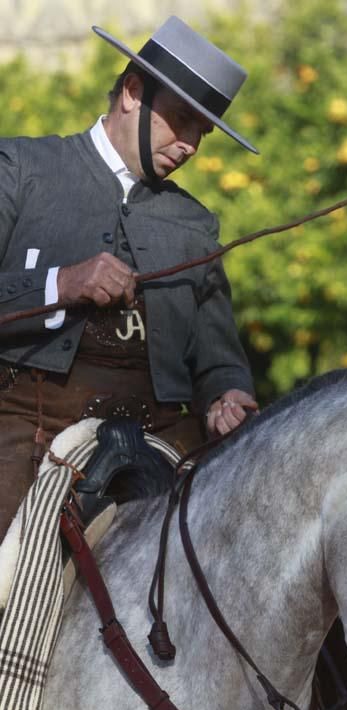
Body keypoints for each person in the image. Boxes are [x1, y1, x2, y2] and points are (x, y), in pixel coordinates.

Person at [0, 16, 258, 542]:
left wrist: (225, 396)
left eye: (201, 133)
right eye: (181, 121)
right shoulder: (20, 169)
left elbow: (218, 360)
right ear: (133, 93)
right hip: (24, 442)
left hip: (161, 450)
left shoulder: (197, 225)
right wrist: (62, 284)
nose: (189, 145)